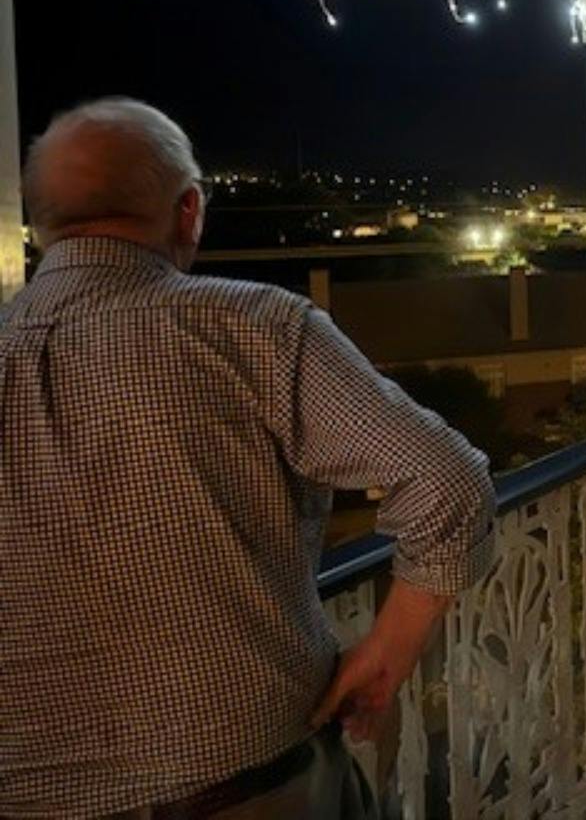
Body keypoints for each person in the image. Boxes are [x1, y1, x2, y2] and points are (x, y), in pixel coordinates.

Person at [0, 99, 496, 820]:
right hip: (249, 783)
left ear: (39, 223)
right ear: (189, 211)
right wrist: (387, 651)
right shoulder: (253, 328)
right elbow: (448, 482)